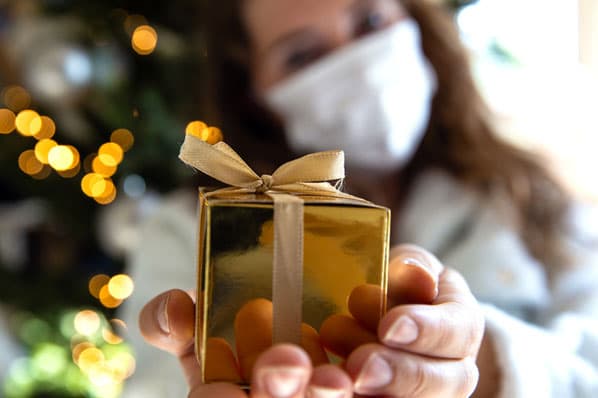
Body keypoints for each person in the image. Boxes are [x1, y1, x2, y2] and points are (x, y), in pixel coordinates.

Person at [126, 0, 598, 397]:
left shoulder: (531, 195)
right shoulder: (188, 228)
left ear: (415, 23)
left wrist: (489, 364)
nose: (358, 62)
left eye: (370, 23)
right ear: (253, 93)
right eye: (303, 55)